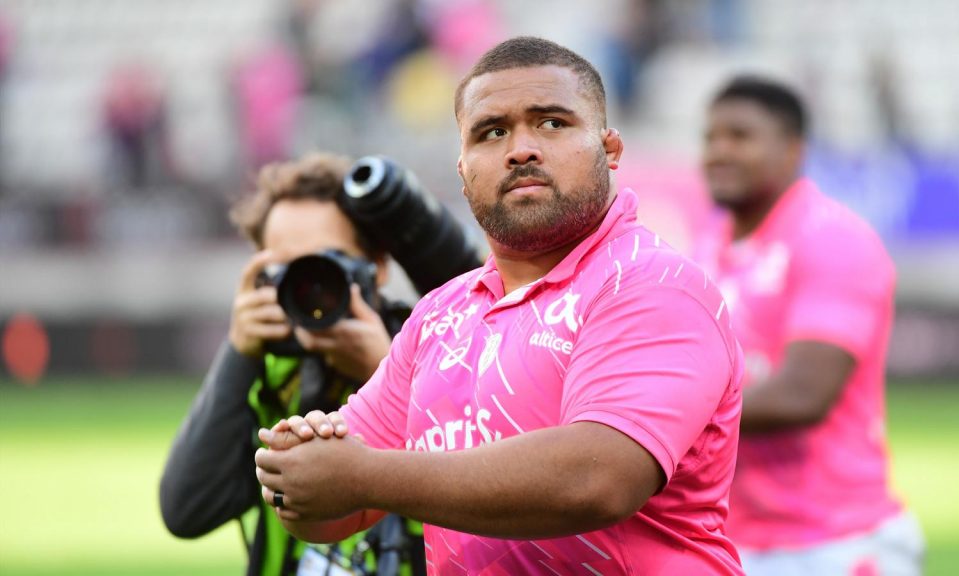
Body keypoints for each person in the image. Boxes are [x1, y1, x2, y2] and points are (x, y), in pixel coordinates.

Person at [252, 36, 746, 575]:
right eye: (492, 132)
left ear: (610, 149)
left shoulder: (654, 284)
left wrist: (360, 475)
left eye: (553, 123)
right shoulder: (439, 314)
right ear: (462, 170)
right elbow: (333, 509)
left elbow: (598, 480)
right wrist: (298, 470)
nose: (521, 149)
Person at [695, 76, 925, 574]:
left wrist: (666, 417)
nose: (718, 151)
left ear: (793, 150)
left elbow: (803, 394)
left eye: (740, 136)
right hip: (732, 537)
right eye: (710, 137)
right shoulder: (709, 240)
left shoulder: (833, 238)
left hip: (832, 542)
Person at [160, 153, 429, 576]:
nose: (312, 284)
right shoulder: (269, 375)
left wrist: (383, 371)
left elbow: (478, 500)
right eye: (289, 270)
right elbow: (187, 510)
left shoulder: (430, 351)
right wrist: (239, 351)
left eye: (329, 262)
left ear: (376, 267)